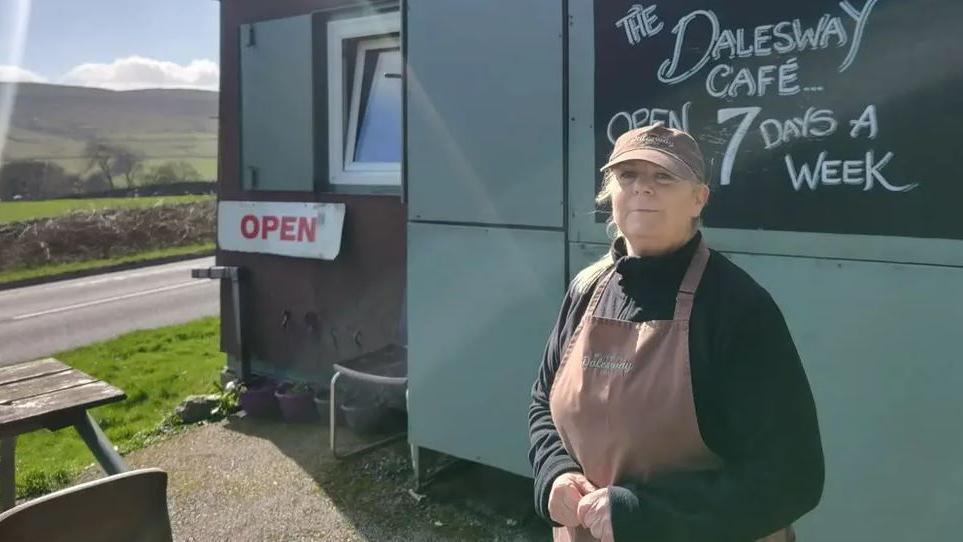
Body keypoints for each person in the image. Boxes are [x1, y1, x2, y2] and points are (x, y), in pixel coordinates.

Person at [528, 123, 824, 541]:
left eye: (663, 176)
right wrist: (555, 473)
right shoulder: (585, 290)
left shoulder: (737, 308)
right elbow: (543, 402)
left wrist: (642, 514)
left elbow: (794, 476)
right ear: (609, 193)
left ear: (698, 199)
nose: (642, 189)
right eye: (627, 175)